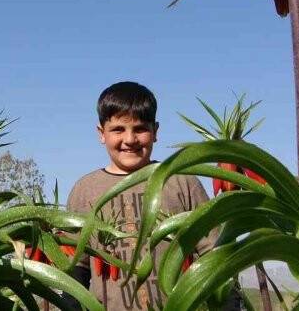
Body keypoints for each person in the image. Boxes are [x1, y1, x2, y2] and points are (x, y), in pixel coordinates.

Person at [63, 81, 240, 310]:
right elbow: (76, 268)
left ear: (155, 131)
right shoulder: (85, 190)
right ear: (101, 133)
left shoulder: (180, 181)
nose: (130, 139)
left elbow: (213, 253)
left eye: (140, 129)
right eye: (118, 129)